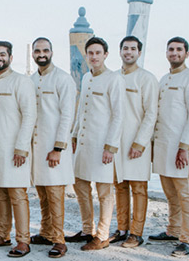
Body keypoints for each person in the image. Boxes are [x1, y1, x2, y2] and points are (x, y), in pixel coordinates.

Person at [0, 41, 36, 258]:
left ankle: (23, 240)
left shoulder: (21, 81)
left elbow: (29, 115)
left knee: (18, 195)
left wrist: (22, 147)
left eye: (2, 54)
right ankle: (2, 235)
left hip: (14, 149)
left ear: (11, 57)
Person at [67, 37, 124, 251]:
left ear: (105, 54)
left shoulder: (114, 79)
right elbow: (81, 109)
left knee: (104, 191)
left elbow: (118, 115)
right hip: (84, 142)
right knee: (80, 185)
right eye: (90, 53)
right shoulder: (85, 78)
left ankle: (102, 235)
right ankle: (86, 229)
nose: (93, 57)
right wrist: (73, 135)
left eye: (97, 52)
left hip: (102, 144)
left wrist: (111, 146)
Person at [149, 37, 189, 257]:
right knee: (170, 193)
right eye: (170, 49)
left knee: (186, 195)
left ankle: (188, 239)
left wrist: (184, 148)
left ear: (186, 54)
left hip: (181, 148)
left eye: (179, 50)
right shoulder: (163, 79)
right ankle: (173, 229)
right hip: (163, 146)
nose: (174, 53)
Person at [27, 37, 76, 258]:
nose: (41, 54)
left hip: (54, 148)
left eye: (45, 50)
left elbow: (67, 116)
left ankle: (59, 239)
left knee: (55, 195)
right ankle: (46, 232)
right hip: (36, 150)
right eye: (37, 51)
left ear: (52, 52)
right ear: (33, 54)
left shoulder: (63, 79)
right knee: (43, 195)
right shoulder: (30, 80)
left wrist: (58, 148)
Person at [110, 36, 158, 248]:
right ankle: (122, 229)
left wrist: (140, 143)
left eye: (132, 49)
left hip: (136, 143)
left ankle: (136, 233)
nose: (128, 52)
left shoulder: (146, 78)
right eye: (125, 48)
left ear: (139, 52)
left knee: (138, 188)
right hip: (116, 143)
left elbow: (151, 114)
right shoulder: (113, 77)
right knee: (119, 186)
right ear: (119, 52)